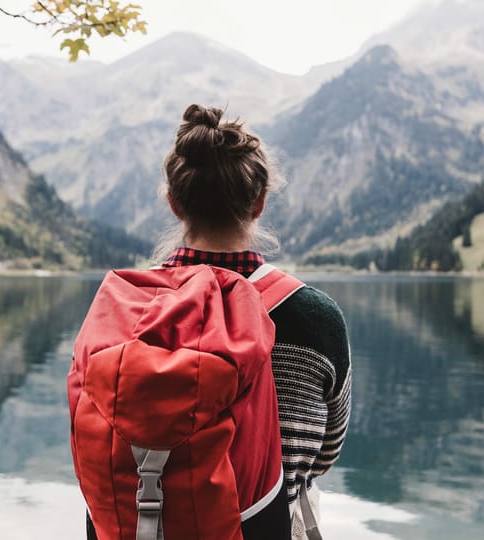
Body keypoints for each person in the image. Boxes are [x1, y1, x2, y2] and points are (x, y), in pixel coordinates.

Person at [156, 104, 352, 538]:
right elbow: (323, 455)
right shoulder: (315, 320)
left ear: (173, 203)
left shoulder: (131, 308)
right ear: (260, 202)